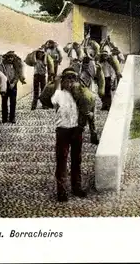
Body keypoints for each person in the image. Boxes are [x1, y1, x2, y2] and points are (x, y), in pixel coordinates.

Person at [51, 68, 87, 202]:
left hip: (77, 130)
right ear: (63, 81)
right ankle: (62, 191)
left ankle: (76, 187)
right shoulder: (59, 94)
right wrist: (57, 83)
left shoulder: (80, 94)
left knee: (77, 160)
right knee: (62, 161)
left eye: (73, 79)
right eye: (68, 79)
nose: (70, 82)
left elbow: (86, 106)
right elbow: (54, 101)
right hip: (63, 131)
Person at [0, 51, 26, 123]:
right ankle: (4, 118)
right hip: (4, 86)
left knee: (13, 102)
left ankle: (12, 118)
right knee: (4, 102)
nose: (10, 59)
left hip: (13, 86)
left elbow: (17, 75)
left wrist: (13, 83)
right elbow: (0, 75)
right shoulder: (2, 65)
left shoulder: (16, 65)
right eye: (9, 57)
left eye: (12, 57)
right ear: (6, 58)